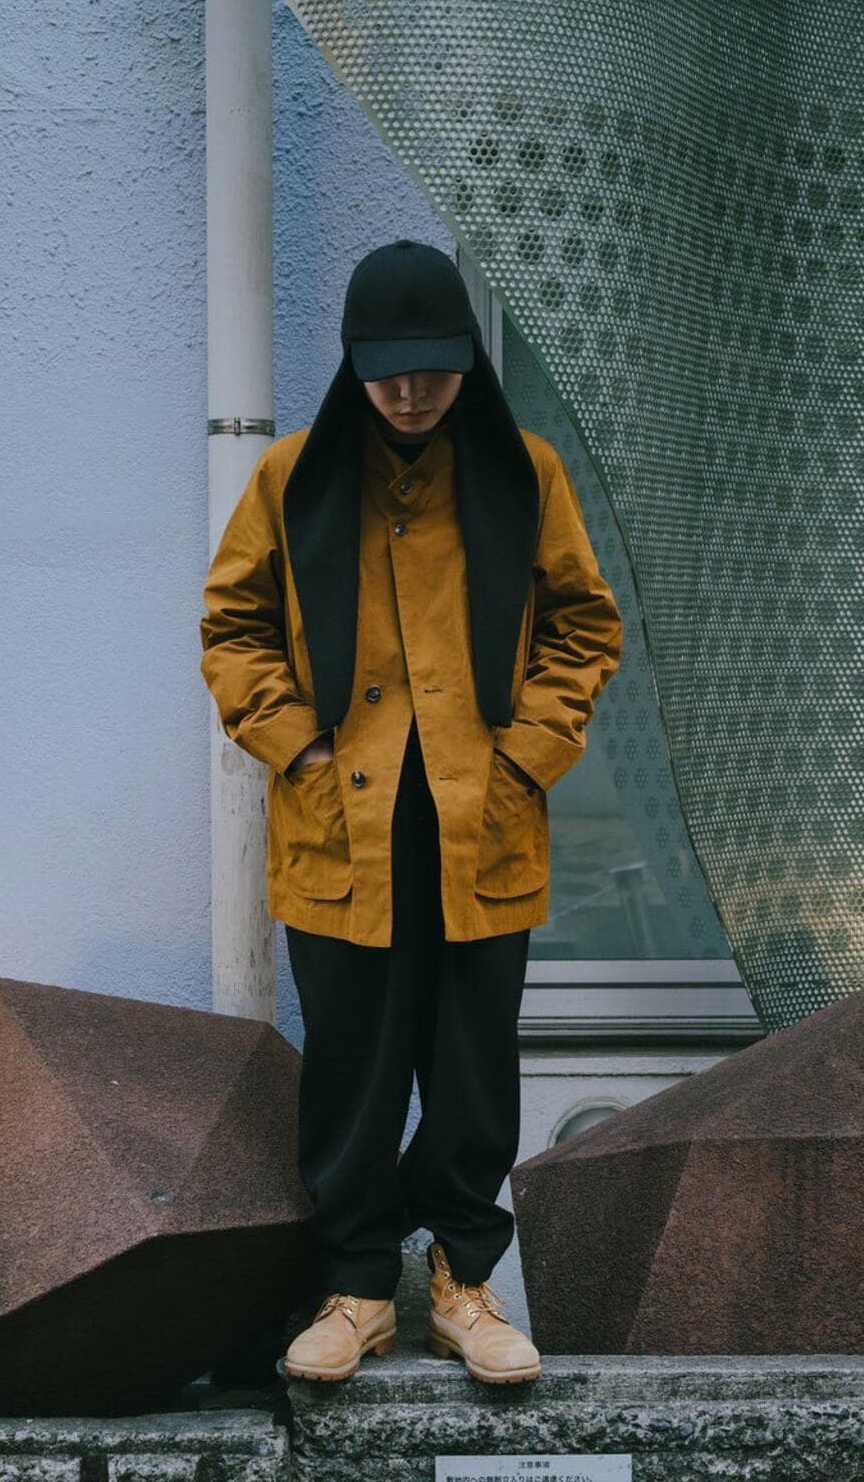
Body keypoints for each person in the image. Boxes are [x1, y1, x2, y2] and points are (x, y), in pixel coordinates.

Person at [199, 239, 623, 1385]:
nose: (410, 391)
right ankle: (356, 1291)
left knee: (472, 1075)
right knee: (351, 1076)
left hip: (482, 829)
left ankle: (463, 1287)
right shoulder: (292, 478)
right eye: (388, 370)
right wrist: (297, 745)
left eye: (431, 366)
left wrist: (526, 758)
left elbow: (583, 624)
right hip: (341, 835)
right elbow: (232, 626)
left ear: (465, 359)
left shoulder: (523, 473)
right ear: (354, 364)